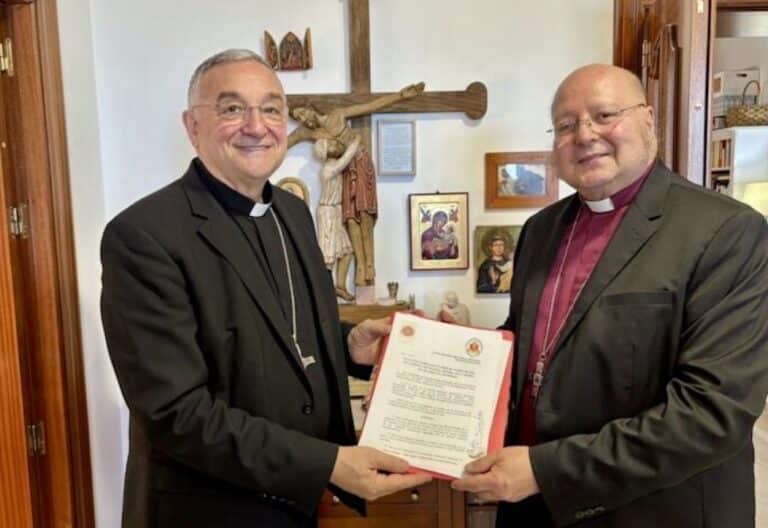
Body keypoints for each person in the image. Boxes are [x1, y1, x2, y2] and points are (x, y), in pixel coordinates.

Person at [100, 49, 430, 528]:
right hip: (207, 511)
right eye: (232, 108)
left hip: (293, 505)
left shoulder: (292, 214)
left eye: (271, 109)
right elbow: (176, 413)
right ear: (193, 126)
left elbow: (279, 331)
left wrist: (347, 346)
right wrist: (326, 464)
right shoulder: (144, 235)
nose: (257, 126)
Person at [452, 64, 768, 527]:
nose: (585, 135)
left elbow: (711, 414)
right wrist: (452, 350)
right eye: (566, 125)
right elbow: (535, 349)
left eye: (604, 115)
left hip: (651, 510)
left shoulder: (725, 231)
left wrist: (545, 471)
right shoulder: (540, 230)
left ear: (648, 120)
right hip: (534, 507)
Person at [288, 82, 425, 287]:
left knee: (364, 212)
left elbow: (369, 106)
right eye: (298, 118)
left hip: (360, 163)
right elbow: (283, 144)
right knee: (350, 218)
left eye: (302, 113)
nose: (303, 119)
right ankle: (360, 265)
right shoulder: (306, 133)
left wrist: (400, 96)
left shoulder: (336, 115)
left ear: (310, 107)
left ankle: (370, 264)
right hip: (343, 171)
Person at [314, 135, 360, 301]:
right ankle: (324, 291)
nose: (335, 145)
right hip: (327, 212)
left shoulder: (333, 166)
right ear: (326, 152)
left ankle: (340, 286)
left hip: (336, 211)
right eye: (331, 144)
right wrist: (355, 143)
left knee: (346, 251)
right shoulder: (328, 169)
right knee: (328, 254)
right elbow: (345, 160)